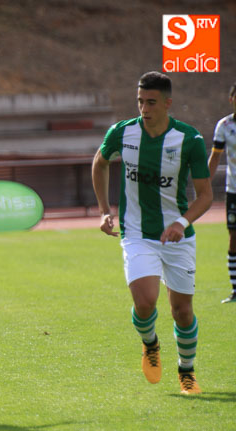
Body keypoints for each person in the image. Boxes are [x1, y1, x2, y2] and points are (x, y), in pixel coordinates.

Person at [91, 71, 212, 395]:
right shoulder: (123, 132)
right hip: (137, 233)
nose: (144, 108)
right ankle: (150, 344)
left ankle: (186, 371)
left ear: (168, 103)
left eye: (151, 102)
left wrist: (181, 223)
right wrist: (104, 210)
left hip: (178, 237)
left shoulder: (189, 139)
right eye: (140, 101)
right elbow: (100, 162)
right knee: (145, 302)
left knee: (182, 312)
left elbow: (205, 196)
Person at [207, 82, 236, 304]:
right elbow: (216, 156)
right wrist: (204, 183)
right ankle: (235, 289)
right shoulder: (224, 125)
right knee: (233, 238)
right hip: (233, 190)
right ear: (231, 99)